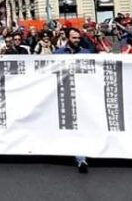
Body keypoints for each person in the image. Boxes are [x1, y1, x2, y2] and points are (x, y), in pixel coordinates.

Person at [52, 27, 90, 172]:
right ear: (67, 38)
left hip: (82, 96)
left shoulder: (86, 54)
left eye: (78, 38)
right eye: (74, 38)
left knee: (80, 127)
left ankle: (81, 158)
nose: (77, 40)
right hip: (64, 94)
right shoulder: (58, 54)